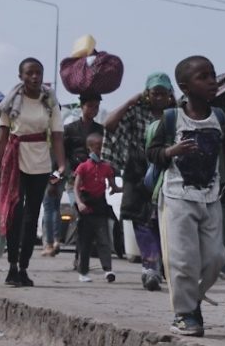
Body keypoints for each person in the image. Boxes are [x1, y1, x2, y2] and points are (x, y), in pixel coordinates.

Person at [145, 55, 225, 336]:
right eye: (203, 77)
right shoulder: (171, 119)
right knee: (182, 259)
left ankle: (194, 300)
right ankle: (184, 313)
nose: (211, 81)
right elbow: (152, 153)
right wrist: (171, 151)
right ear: (185, 87)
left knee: (216, 256)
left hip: (210, 196)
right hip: (177, 196)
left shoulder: (220, 117)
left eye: (212, 75)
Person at [0, 58, 66, 288]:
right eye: (30, 73)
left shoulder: (50, 102)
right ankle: (11, 266)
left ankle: (23, 267)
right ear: (21, 76)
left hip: (40, 162)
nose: (34, 77)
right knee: (15, 214)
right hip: (15, 161)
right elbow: (1, 141)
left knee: (32, 217)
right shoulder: (11, 103)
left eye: (38, 73)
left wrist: (61, 167)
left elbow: (58, 137)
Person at [103, 73, 176, 291]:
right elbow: (109, 124)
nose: (159, 98)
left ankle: (165, 267)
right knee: (141, 220)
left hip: (165, 170)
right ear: (147, 94)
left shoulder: (174, 114)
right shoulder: (135, 111)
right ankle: (150, 267)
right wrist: (130, 101)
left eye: (164, 94)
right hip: (138, 171)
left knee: (163, 220)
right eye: (155, 93)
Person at [60, 92, 104, 258]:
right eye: (91, 106)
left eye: (97, 107)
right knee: (81, 213)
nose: (94, 110)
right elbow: (62, 152)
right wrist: (63, 171)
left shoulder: (100, 130)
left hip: (95, 180)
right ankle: (81, 254)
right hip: (75, 179)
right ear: (82, 106)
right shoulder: (70, 129)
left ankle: (84, 252)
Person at [73, 133, 120, 282]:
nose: (100, 151)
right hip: (86, 208)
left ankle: (108, 270)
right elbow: (76, 187)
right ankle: (83, 272)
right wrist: (80, 203)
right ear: (89, 149)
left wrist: (120, 189)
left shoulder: (106, 167)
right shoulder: (83, 167)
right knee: (85, 241)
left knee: (104, 240)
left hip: (100, 207)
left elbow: (113, 185)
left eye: (102, 147)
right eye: (97, 148)